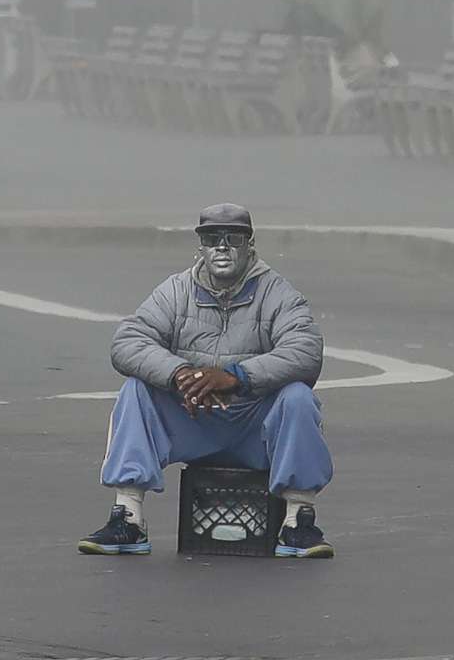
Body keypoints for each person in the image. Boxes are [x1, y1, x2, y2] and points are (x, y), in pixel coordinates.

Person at [78, 204, 334, 561]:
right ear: (200, 246)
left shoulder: (277, 293)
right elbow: (127, 341)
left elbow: (306, 351)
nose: (223, 247)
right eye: (212, 238)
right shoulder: (176, 290)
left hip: (253, 428)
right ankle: (129, 517)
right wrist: (179, 373)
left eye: (234, 238)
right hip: (193, 418)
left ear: (250, 244)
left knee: (297, 398)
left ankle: (298, 519)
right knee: (137, 390)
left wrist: (236, 377)